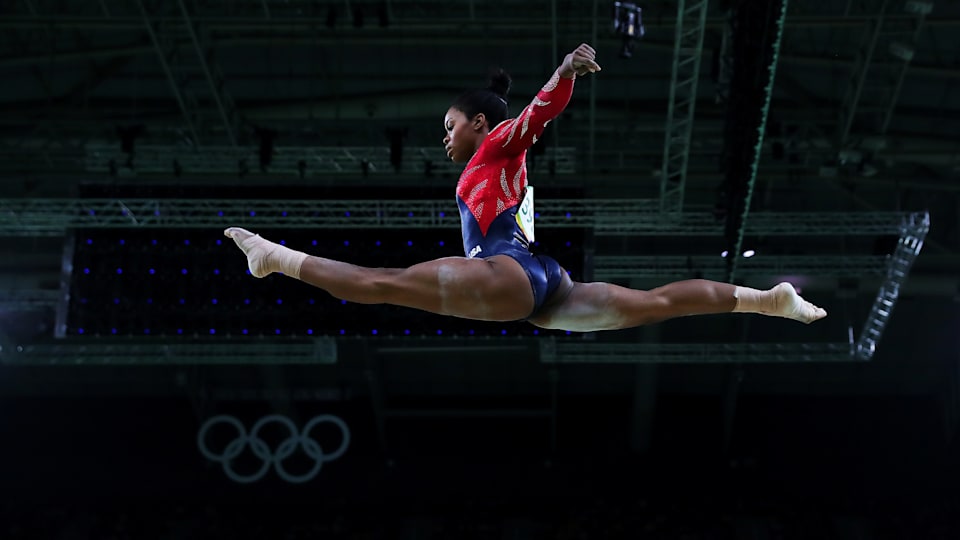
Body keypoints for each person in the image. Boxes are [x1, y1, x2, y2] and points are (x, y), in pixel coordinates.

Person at [225, 43, 826, 333]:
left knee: (378, 285)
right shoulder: (500, 164)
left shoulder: (494, 144)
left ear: (479, 124)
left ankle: (273, 256)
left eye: (450, 125)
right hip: (544, 279)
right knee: (658, 303)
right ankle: (768, 300)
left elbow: (532, 120)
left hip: (508, 274)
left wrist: (561, 76)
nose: (446, 137)